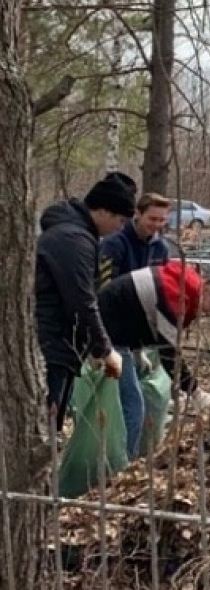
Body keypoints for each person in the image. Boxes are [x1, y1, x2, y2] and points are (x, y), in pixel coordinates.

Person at [35, 172, 137, 431]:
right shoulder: (74, 241)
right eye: (120, 219)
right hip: (52, 343)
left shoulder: (76, 235)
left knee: (51, 421)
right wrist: (104, 349)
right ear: (103, 211)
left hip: (60, 343)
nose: (121, 227)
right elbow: (81, 300)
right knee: (46, 423)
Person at [98, 262, 210, 424]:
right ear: (207, 289)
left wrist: (137, 350)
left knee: (124, 393)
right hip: (108, 334)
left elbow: (143, 315)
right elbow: (169, 354)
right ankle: (126, 449)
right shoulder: (176, 297)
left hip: (115, 328)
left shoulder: (187, 286)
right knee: (133, 404)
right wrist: (194, 391)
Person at [98, 192, 172, 457]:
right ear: (137, 214)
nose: (156, 224)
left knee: (152, 397)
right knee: (131, 403)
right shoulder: (114, 244)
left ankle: (138, 454)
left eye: (162, 220)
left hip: (139, 335)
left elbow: (162, 293)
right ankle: (123, 463)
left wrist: (143, 344)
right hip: (112, 335)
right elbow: (104, 293)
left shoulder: (161, 249)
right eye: (152, 218)